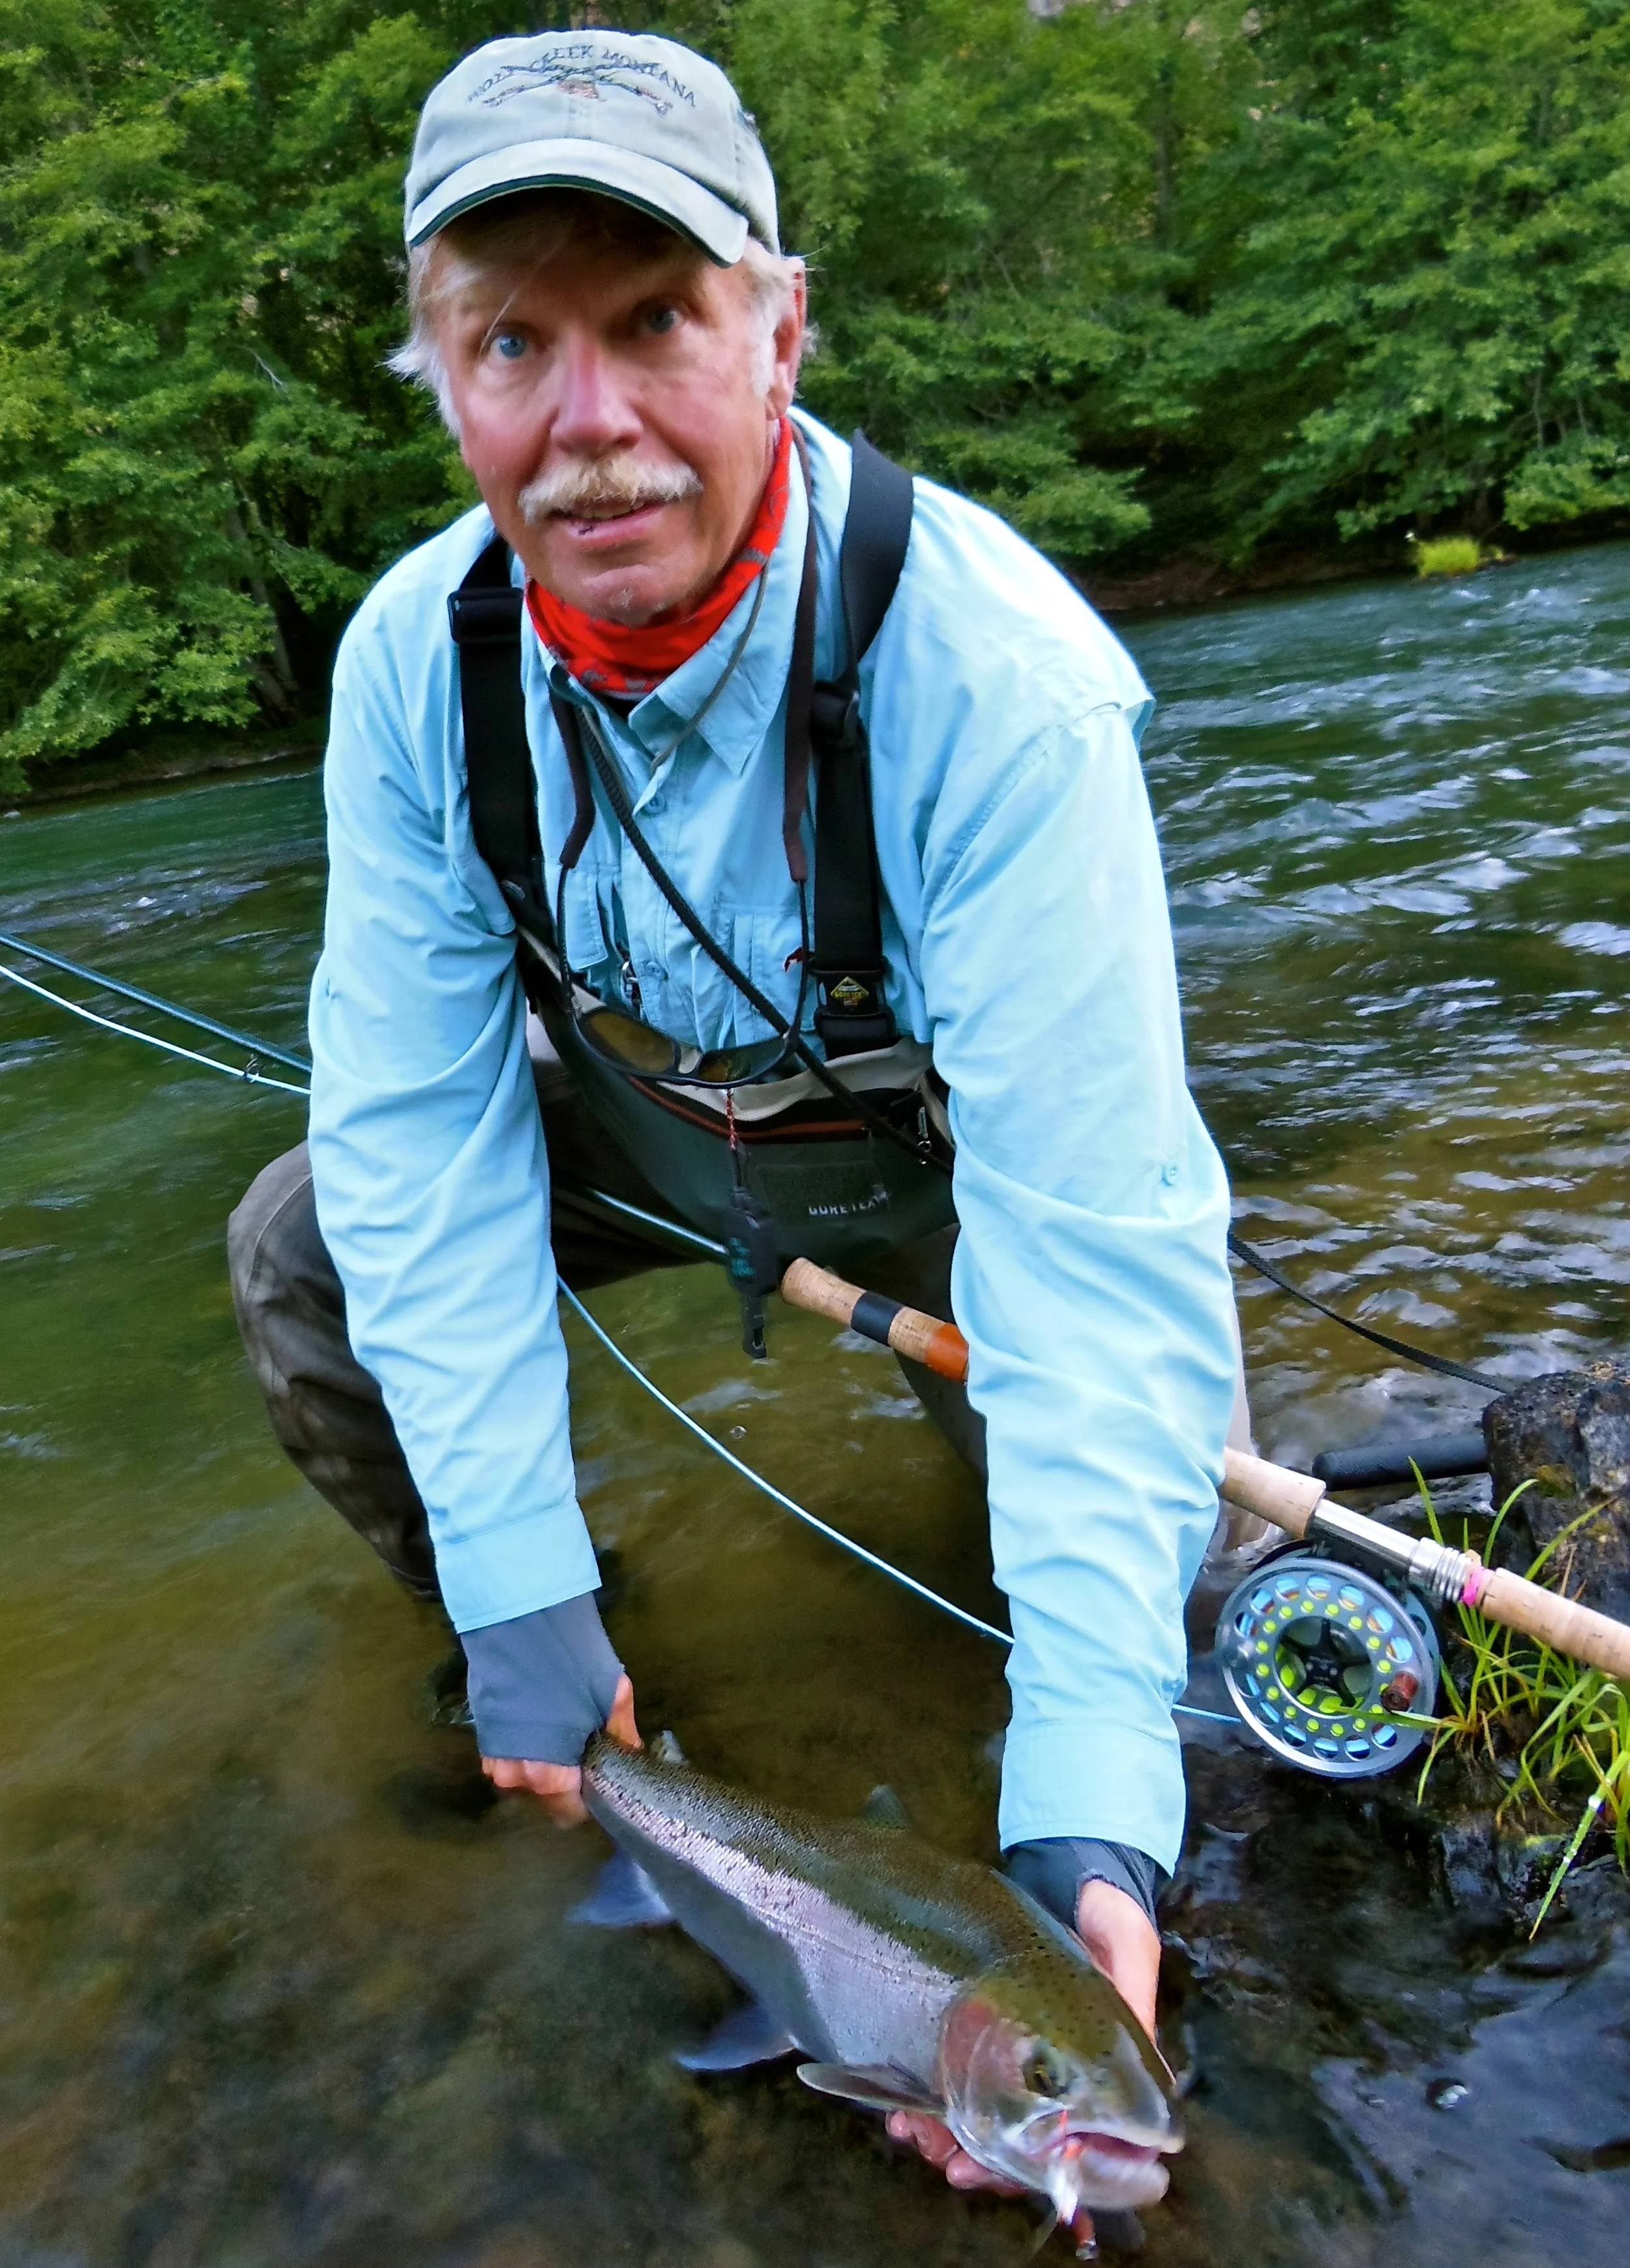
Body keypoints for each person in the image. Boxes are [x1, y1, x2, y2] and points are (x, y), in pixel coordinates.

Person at [228, 25, 1245, 2194]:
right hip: (635, 1137)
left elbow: (1098, 1247)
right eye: (514, 342)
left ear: (779, 327)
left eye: (658, 323)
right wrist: (511, 1582)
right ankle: (571, 1694)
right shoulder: (413, 663)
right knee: (304, 1235)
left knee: (1144, 1586)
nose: (589, 426)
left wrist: (1084, 1820)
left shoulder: (993, 682)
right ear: (444, 379)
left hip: (949, 1184)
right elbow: (416, 1134)